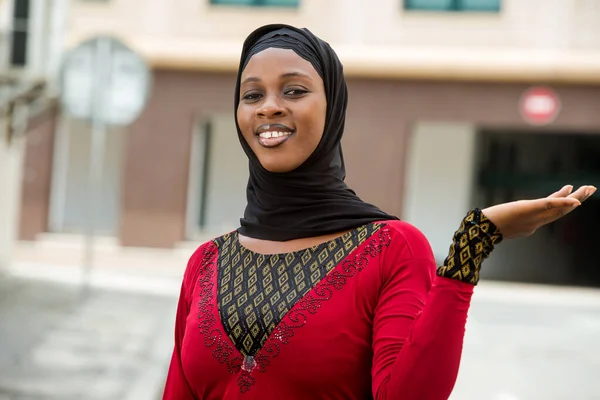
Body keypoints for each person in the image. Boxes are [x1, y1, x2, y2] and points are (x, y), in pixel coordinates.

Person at [161, 24, 595, 400]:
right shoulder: (207, 263)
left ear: (333, 108)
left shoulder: (392, 248)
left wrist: (472, 245)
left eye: (294, 90)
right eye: (251, 94)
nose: (268, 106)